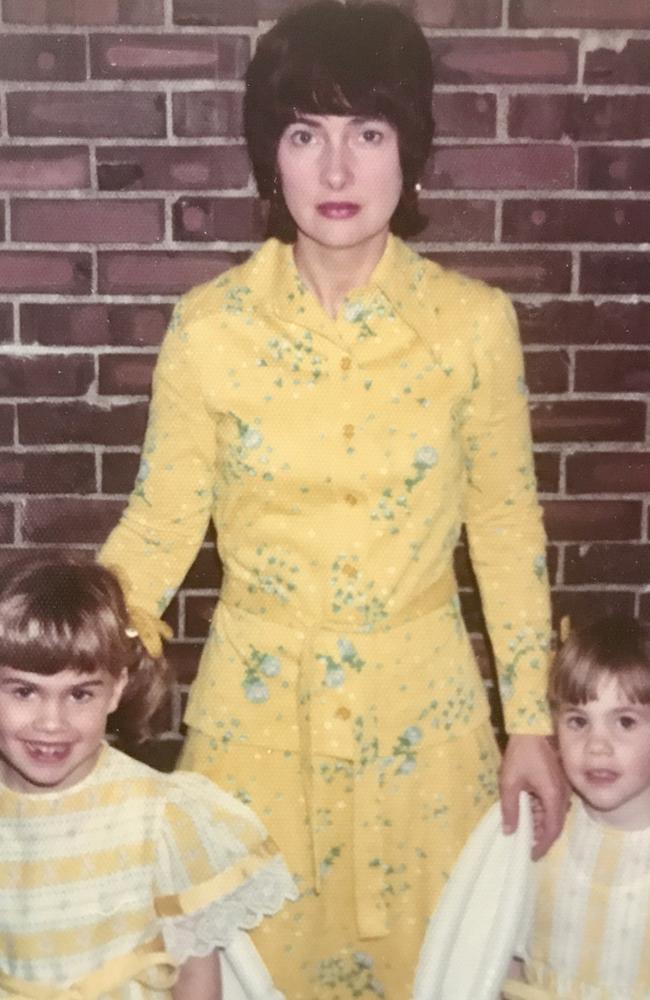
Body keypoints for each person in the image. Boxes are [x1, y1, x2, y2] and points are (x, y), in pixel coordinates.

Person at [99, 2, 566, 995]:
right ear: (270, 159)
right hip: (255, 723)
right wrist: (65, 657)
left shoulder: (472, 327)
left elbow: (505, 526)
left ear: (412, 152)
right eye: (305, 134)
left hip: (424, 722)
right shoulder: (209, 327)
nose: (338, 171)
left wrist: (528, 721)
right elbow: (161, 521)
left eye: (368, 133)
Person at [0, 556, 296, 1000]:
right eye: (24, 691)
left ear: (117, 687)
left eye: (80, 694)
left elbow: (195, 975)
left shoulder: (160, 816)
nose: (51, 723)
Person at [503, 616, 650, 998]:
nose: (596, 746)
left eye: (626, 722)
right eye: (578, 721)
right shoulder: (544, 829)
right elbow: (507, 953)